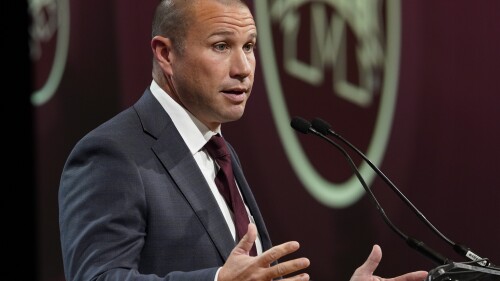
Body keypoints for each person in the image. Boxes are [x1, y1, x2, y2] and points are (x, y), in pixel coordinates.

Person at [58, 0, 429, 280]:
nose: (244, 68)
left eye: (249, 46)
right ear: (165, 54)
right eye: (222, 46)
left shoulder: (220, 151)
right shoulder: (113, 153)